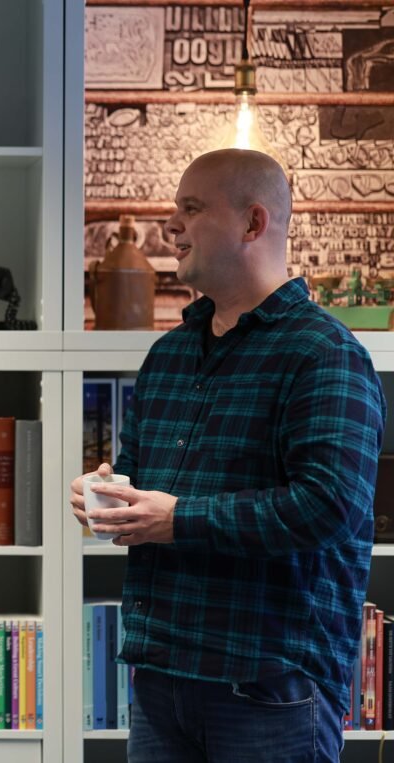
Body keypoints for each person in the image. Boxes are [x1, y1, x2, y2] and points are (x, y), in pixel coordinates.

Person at [70, 149, 386, 762]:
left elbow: (327, 507)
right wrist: (105, 496)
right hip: (160, 681)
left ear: (252, 222)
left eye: (191, 208)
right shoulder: (168, 355)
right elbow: (144, 485)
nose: (171, 226)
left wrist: (176, 519)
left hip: (270, 688)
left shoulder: (324, 354)